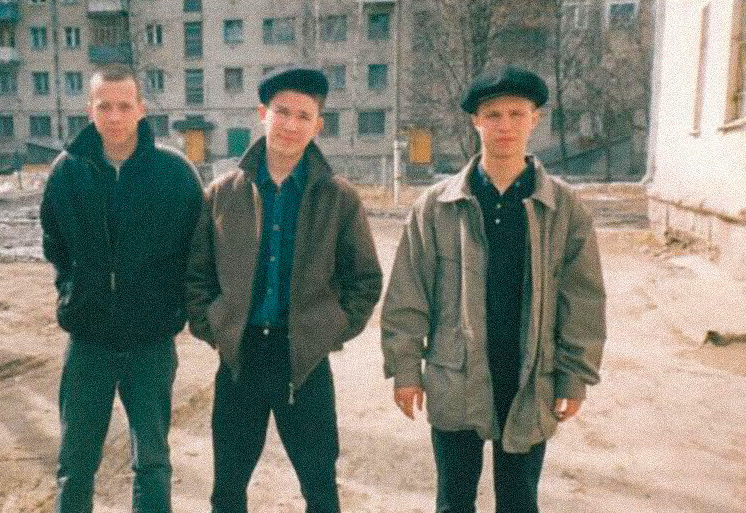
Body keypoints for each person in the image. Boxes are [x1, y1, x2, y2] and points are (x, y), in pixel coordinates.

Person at [381, 65, 607, 513]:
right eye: (493, 115)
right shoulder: (437, 206)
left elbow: (582, 301)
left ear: (535, 119)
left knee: (520, 502)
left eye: (516, 114)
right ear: (475, 121)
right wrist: (406, 369)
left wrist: (574, 375)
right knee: (453, 500)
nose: (505, 126)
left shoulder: (564, 209)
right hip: (455, 375)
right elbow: (407, 296)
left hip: (528, 379)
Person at [186, 66, 383, 513]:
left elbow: (364, 280)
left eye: (303, 115)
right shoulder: (222, 193)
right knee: (228, 488)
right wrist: (213, 324)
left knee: (320, 487)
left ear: (318, 124)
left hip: (305, 361)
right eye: (281, 112)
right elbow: (196, 274)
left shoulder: (339, 199)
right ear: (262, 114)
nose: (291, 125)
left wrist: (330, 328)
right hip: (240, 358)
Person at [40, 64, 203, 513]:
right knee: (75, 464)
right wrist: (74, 292)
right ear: (90, 110)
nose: (114, 116)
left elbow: (197, 250)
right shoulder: (67, 172)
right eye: (103, 105)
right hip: (88, 343)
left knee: (151, 462)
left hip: (150, 344)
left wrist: (170, 306)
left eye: (124, 105)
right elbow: (55, 244)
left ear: (141, 109)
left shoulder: (174, 173)